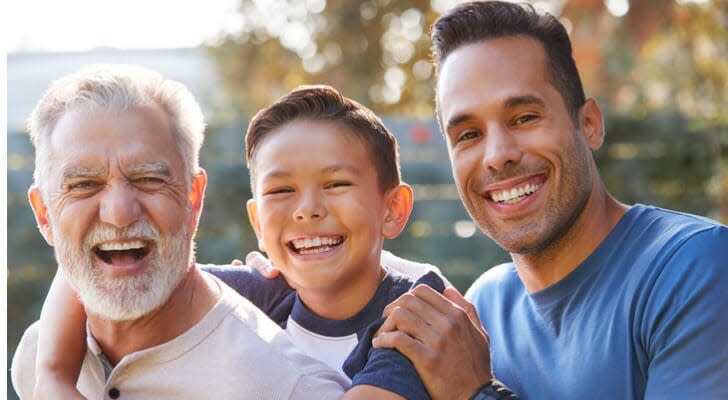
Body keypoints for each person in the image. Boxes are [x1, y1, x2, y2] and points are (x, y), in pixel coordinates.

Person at [372, 2, 728, 400]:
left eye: (524, 118)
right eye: (468, 135)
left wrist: (474, 393)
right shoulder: (482, 309)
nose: (497, 155)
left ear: (589, 124)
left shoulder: (695, 268)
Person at [24, 83, 447, 399]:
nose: (307, 210)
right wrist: (54, 376)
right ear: (258, 223)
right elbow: (107, 265)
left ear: (393, 208)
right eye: (281, 191)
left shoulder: (416, 315)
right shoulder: (261, 288)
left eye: (336, 184)